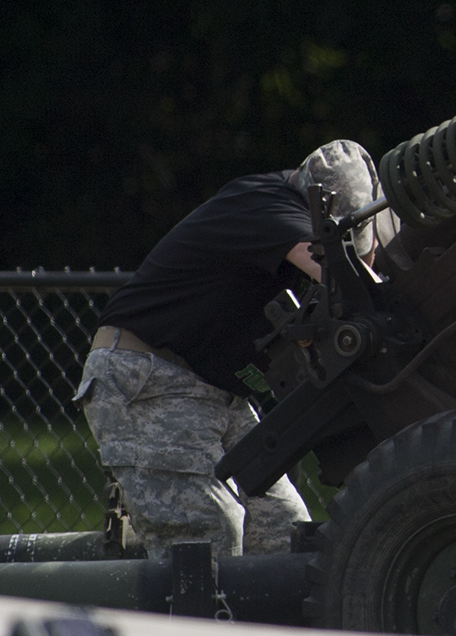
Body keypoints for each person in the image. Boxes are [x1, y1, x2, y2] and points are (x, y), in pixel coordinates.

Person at [74, 140, 389, 558]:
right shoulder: (267, 205)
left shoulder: (287, 211)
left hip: (215, 391)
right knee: (208, 540)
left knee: (285, 535)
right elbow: (348, 278)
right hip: (148, 377)